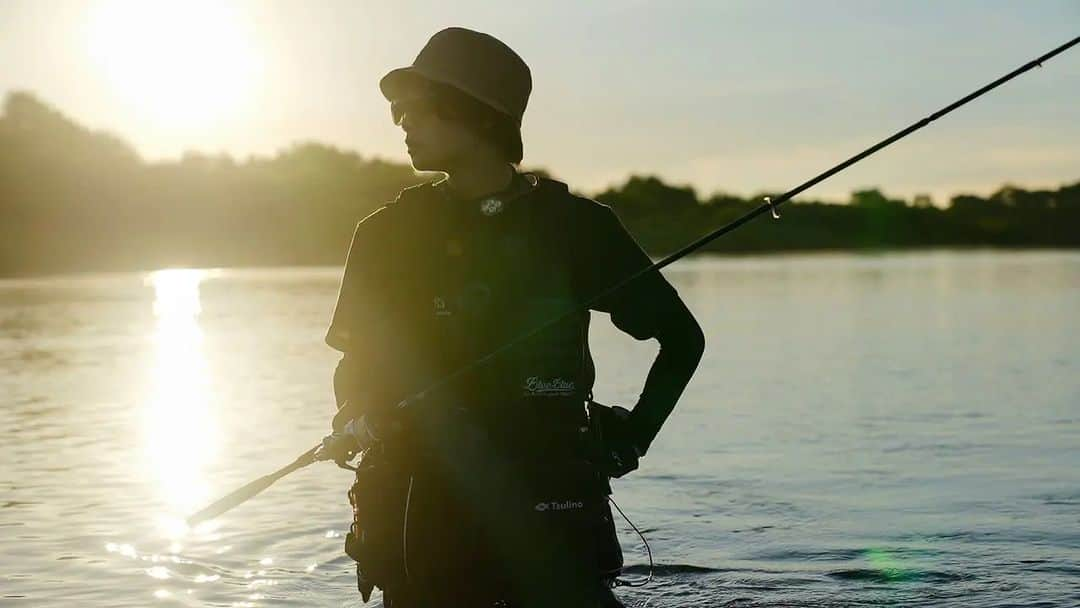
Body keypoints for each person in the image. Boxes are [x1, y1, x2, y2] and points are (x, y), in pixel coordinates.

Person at [315, 27, 705, 608]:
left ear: (475, 113)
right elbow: (358, 362)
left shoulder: (580, 228)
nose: (401, 123)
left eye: (415, 109)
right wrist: (355, 415)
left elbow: (681, 339)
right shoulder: (383, 234)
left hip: (553, 504)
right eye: (398, 111)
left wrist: (633, 437)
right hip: (417, 512)